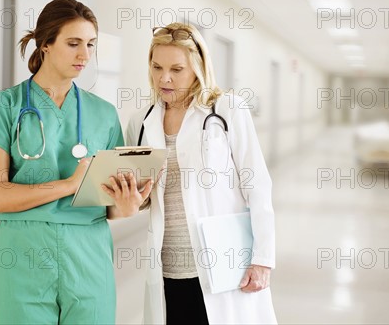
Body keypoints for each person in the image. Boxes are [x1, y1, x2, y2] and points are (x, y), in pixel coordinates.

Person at [0, 0, 152, 324]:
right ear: (45, 44)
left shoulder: (104, 113)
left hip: (88, 254)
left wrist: (127, 207)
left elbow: (107, 200)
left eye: (90, 44)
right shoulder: (4, 107)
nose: (84, 55)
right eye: (73, 44)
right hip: (24, 254)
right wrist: (69, 184)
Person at [109, 22, 277, 324]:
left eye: (177, 69)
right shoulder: (142, 121)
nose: (165, 78)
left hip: (224, 264)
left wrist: (262, 260)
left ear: (198, 67)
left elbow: (258, 185)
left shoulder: (226, 110)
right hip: (169, 268)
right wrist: (133, 195)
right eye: (157, 66)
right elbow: (141, 198)